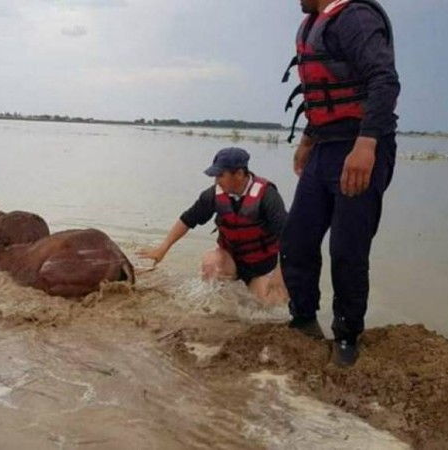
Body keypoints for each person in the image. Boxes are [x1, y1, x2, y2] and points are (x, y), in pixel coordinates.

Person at [280, 0, 400, 366]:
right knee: (296, 239)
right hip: (324, 146)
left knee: (348, 249)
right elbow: (322, 92)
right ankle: (303, 320)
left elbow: (384, 80)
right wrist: (306, 141)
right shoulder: (314, 23)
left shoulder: (356, 18)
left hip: (360, 146)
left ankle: (347, 335)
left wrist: (367, 144)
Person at [137, 147, 288, 306]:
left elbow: (290, 238)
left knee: (271, 303)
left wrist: (280, 272)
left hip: (263, 267)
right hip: (231, 260)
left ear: (239, 174)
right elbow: (187, 220)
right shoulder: (212, 195)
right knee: (211, 263)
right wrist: (162, 249)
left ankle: (259, 290)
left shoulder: (268, 196)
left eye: (221, 175)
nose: (216, 181)